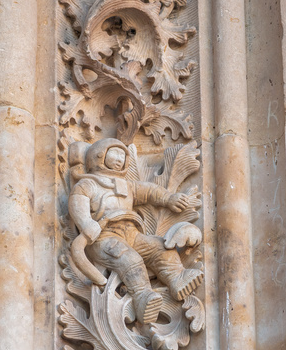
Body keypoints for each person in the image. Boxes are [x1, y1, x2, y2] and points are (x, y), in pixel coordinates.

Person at [68, 138, 203, 323]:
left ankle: (177, 278)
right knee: (129, 258)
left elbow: (148, 191)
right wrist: (85, 223)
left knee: (159, 247)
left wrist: (169, 199)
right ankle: (142, 298)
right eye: (114, 154)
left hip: (132, 232)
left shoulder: (127, 185)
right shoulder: (88, 184)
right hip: (103, 237)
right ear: (99, 156)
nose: (119, 160)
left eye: (123, 156)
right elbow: (77, 202)